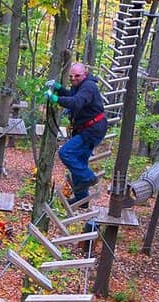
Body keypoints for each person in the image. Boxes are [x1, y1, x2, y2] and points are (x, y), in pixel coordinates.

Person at [44, 63, 107, 202]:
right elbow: (72, 96)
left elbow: (76, 102)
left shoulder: (89, 87)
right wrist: (59, 89)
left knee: (65, 152)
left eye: (77, 76)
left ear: (85, 74)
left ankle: (88, 177)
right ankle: (81, 199)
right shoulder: (79, 86)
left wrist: (56, 99)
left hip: (92, 129)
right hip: (87, 128)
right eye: (71, 76)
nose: (74, 78)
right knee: (79, 161)